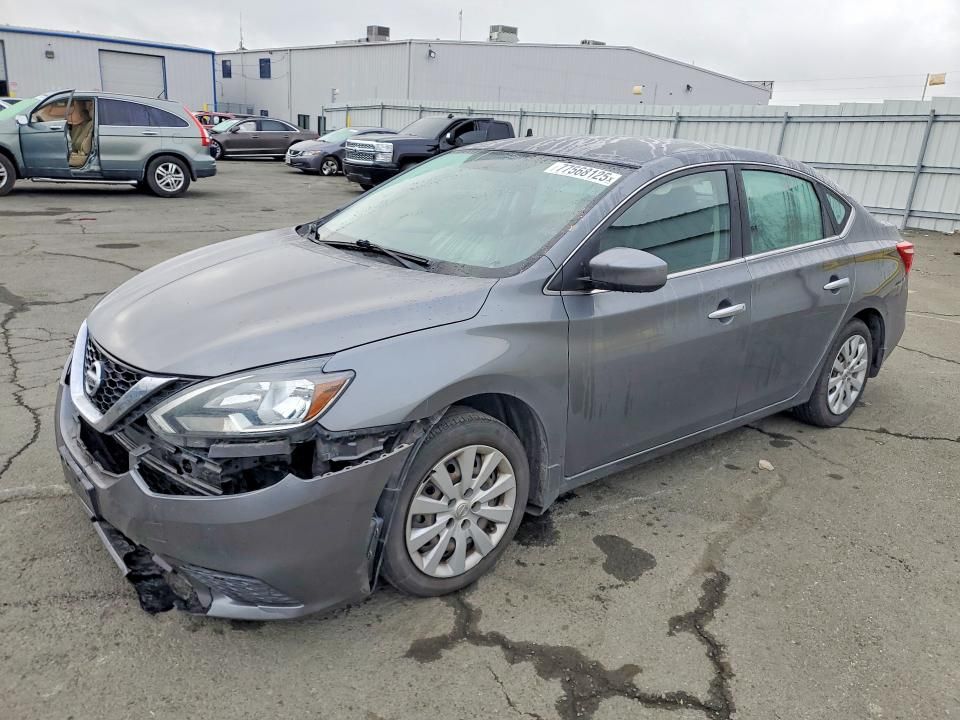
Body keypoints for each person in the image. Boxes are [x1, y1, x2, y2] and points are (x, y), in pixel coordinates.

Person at [67, 102, 94, 168]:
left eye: (92, 107)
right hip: (79, 152)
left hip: (83, 155)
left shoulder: (92, 125)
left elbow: (85, 148)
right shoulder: (84, 125)